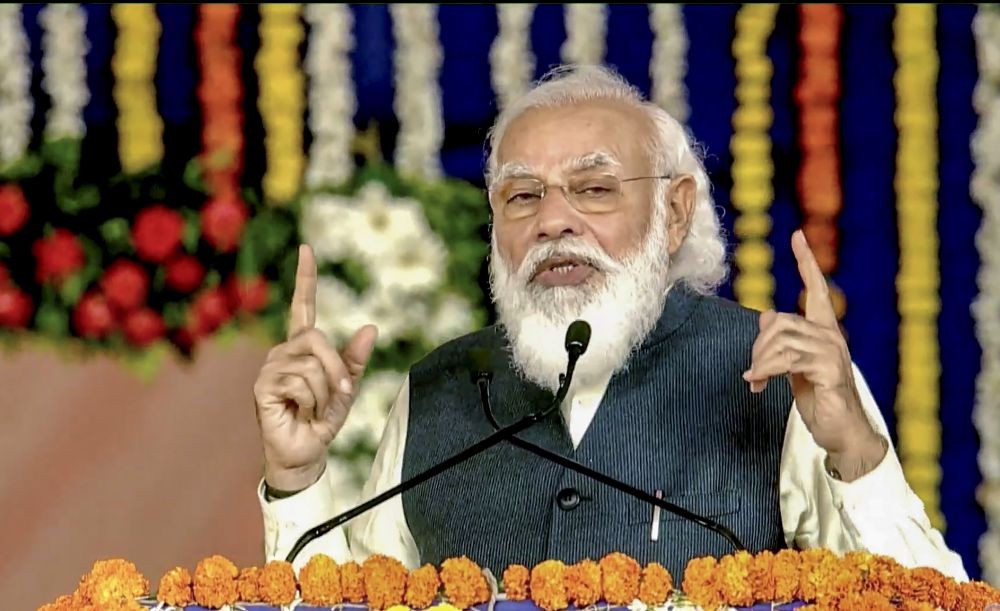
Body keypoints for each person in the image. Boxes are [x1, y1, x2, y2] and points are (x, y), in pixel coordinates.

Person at [252, 64, 967, 583]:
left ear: (676, 210)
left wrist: (857, 454)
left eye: (593, 189)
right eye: (522, 195)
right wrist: (297, 474)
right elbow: (349, 603)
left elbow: (934, 601)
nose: (553, 221)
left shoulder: (784, 373)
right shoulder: (439, 388)